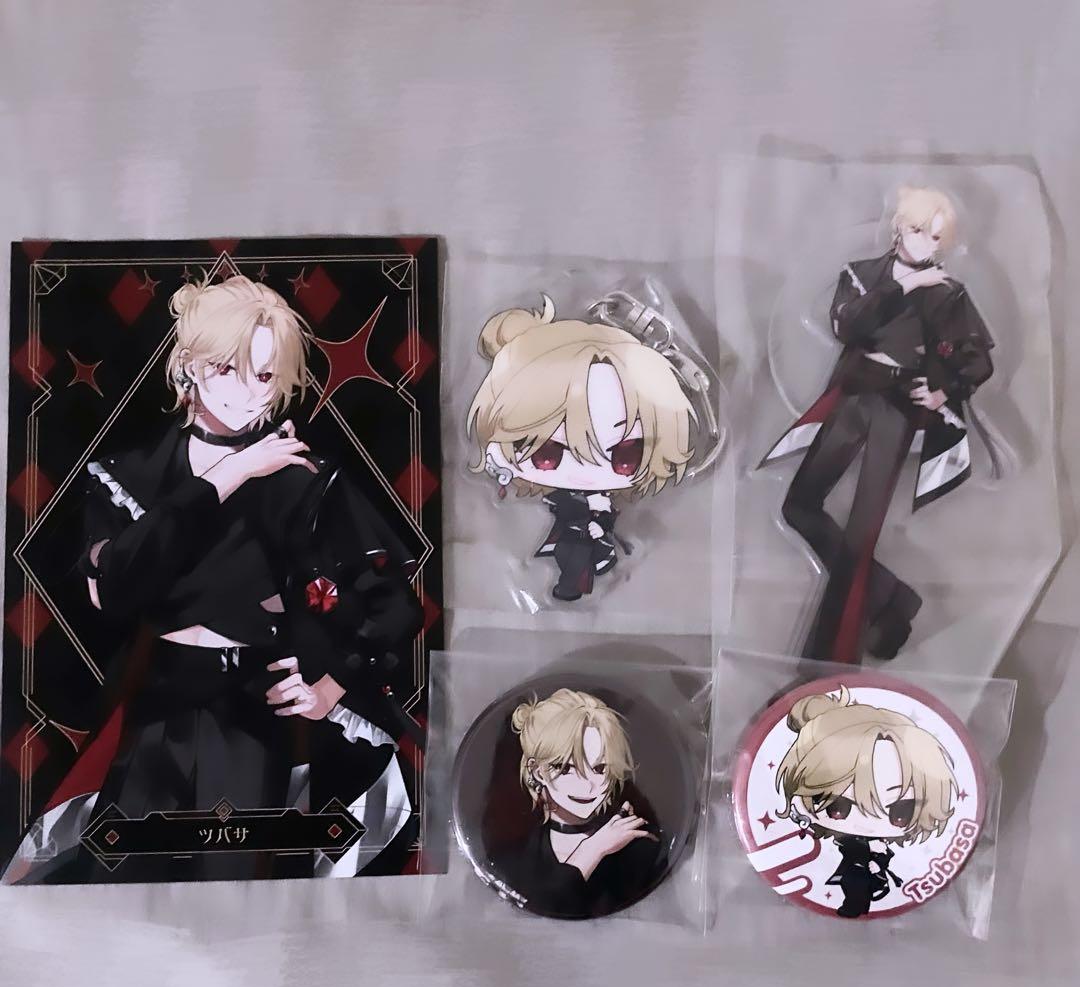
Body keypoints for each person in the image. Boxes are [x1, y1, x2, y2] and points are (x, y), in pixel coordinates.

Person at [4, 274, 422, 884]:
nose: (248, 393)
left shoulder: (305, 480)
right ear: (189, 366)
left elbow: (395, 606)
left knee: (239, 878)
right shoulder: (129, 475)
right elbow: (115, 590)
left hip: (255, 705)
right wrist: (230, 475)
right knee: (121, 874)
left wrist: (329, 686)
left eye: (264, 375)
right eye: (227, 369)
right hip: (155, 697)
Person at [760, 187, 995, 662]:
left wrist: (943, 390)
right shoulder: (861, 274)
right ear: (898, 228)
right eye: (917, 231)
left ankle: (828, 662)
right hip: (855, 391)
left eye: (936, 237)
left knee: (861, 533)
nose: (925, 243)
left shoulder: (948, 294)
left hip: (899, 405)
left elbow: (978, 360)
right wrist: (903, 287)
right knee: (799, 505)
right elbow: (847, 326)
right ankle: (891, 597)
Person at [466, 295, 696, 601]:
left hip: (591, 540)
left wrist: (600, 524)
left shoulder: (598, 503)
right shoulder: (560, 497)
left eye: (625, 456)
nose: (588, 468)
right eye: (547, 453)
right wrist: (498, 456)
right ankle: (572, 581)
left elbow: (604, 515)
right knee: (569, 553)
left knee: (578, 557)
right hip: (573, 535)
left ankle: (572, 584)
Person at [774, 686, 958, 917]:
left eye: (900, 812)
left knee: (860, 886)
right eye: (837, 807)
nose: (868, 822)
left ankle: (859, 903)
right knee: (853, 884)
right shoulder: (850, 843)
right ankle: (855, 904)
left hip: (866, 877)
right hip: (851, 875)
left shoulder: (876, 847)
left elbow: (882, 856)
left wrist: (878, 863)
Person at [500, 688, 660, 918]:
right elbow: (546, 906)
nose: (588, 785)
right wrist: (593, 849)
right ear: (537, 771)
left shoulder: (641, 848)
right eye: (566, 768)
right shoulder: (511, 861)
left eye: (600, 768)